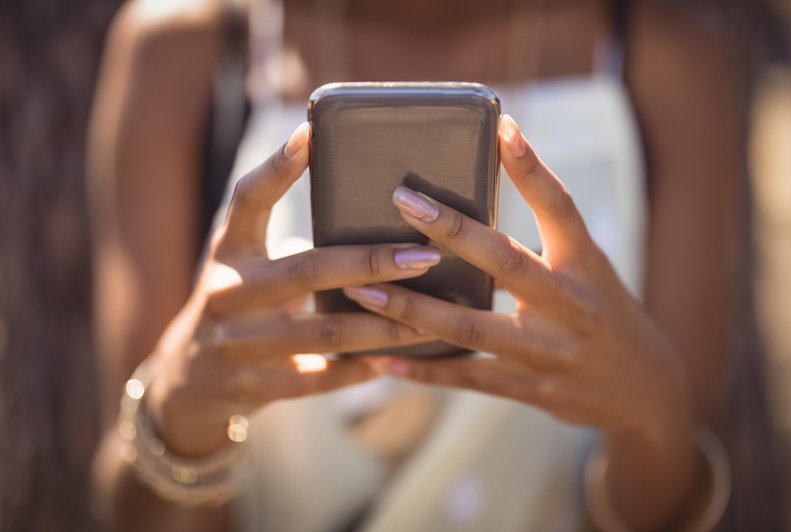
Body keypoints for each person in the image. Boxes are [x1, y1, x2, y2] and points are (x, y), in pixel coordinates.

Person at [88, 0, 748, 530]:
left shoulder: (670, 56)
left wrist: (649, 416)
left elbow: (667, 502)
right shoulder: (179, 49)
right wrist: (180, 411)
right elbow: (129, 513)